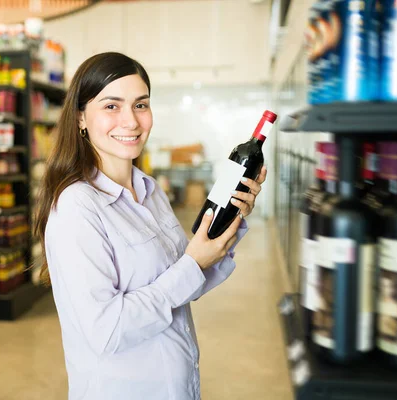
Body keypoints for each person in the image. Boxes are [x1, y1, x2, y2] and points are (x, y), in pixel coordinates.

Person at [33, 52, 267, 400]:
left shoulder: (150, 190)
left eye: (140, 105)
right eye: (111, 106)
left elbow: (185, 284)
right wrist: (194, 263)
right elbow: (106, 331)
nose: (131, 121)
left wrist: (227, 225)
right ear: (81, 117)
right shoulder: (76, 207)